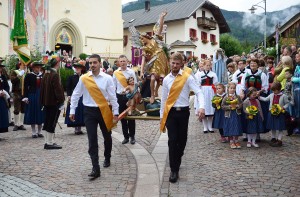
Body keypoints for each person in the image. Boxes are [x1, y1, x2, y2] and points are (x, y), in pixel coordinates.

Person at [70, 54, 119, 179]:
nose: (92, 65)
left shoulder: (107, 78)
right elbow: (76, 94)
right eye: (90, 63)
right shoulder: (84, 78)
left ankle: (107, 156)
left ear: (100, 64)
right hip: (89, 112)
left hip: (104, 110)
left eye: (94, 63)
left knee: (107, 136)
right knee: (92, 139)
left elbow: (113, 96)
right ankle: (95, 168)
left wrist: (116, 112)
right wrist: (72, 110)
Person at [160, 52, 205, 183]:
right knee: (172, 140)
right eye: (173, 63)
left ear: (182, 64)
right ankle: (174, 170)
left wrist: (201, 107)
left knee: (183, 140)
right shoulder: (166, 79)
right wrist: (162, 116)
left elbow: (199, 92)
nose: (174, 65)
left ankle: (177, 156)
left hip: (184, 113)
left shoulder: (187, 77)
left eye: (177, 63)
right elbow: (163, 99)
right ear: (170, 62)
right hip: (171, 114)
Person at [139, 11, 169, 104]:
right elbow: (143, 60)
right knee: (152, 78)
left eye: (142, 38)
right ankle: (152, 94)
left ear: (145, 37)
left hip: (161, 57)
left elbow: (159, 29)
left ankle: (156, 91)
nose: (141, 40)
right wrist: (141, 71)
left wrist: (161, 18)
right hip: (153, 61)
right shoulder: (144, 48)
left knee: (160, 78)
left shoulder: (155, 39)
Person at [40, 58, 65, 150]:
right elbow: (57, 90)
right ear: (57, 64)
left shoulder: (46, 74)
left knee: (47, 121)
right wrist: (61, 101)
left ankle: (47, 141)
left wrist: (42, 101)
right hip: (54, 102)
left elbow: (42, 90)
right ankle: (49, 143)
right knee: (52, 122)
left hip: (46, 102)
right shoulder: (54, 75)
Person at [113, 55, 137, 144]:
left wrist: (134, 96)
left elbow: (135, 84)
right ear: (119, 62)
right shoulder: (116, 72)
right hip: (120, 96)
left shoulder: (131, 72)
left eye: (124, 61)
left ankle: (132, 136)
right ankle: (125, 137)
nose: (123, 63)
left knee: (131, 117)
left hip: (129, 97)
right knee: (122, 117)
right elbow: (113, 86)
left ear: (127, 62)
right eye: (121, 61)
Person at [259, 82, 289, 147]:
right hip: (271, 113)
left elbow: (287, 103)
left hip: (279, 113)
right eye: (273, 90)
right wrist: (259, 97)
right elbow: (265, 99)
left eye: (275, 90)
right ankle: (273, 138)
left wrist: (283, 107)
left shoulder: (283, 96)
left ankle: (279, 139)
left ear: (279, 89)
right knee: (273, 126)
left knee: (280, 127)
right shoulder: (271, 95)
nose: (274, 91)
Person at [195, 60, 218, 133]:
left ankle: (210, 126)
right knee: (204, 108)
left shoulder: (213, 74)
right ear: (203, 66)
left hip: (210, 92)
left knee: (210, 109)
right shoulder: (199, 74)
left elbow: (216, 83)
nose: (208, 67)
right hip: (203, 91)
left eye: (209, 65)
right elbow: (198, 84)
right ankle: (205, 127)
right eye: (206, 65)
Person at [23, 61, 45, 138]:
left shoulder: (43, 75)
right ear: (33, 68)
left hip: (41, 96)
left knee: (40, 113)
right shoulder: (29, 75)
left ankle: (40, 131)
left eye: (39, 67)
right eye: (36, 67)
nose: (38, 69)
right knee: (32, 112)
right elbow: (25, 87)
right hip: (32, 95)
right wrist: (25, 97)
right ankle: (33, 132)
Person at [65, 61, 86, 135]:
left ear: (81, 69)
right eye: (76, 68)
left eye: (78, 68)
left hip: (82, 96)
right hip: (74, 96)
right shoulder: (71, 77)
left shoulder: (84, 77)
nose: (77, 69)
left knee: (81, 112)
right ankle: (76, 128)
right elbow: (68, 87)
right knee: (75, 111)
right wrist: (69, 95)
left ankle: (79, 128)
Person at [221, 82, 243, 149]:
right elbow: (222, 106)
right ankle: (231, 141)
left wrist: (237, 106)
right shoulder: (225, 97)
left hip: (236, 114)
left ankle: (236, 140)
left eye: (234, 88)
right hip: (229, 115)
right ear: (228, 89)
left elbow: (241, 104)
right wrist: (229, 107)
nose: (232, 89)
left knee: (236, 126)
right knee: (230, 127)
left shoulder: (238, 97)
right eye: (231, 88)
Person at [10, 61, 27, 131]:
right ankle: (16, 124)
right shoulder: (14, 72)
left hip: (24, 93)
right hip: (17, 92)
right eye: (23, 65)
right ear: (19, 65)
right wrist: (19, 75)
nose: (24, 66)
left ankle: (21, 123)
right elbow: (12, 81)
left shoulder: (26, 72)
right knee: (16, 109)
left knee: (23, 109)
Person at [0, 62, 10, 134]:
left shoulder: (3, 77)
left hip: (2, 98)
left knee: (2, 115)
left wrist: (4, 92)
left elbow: (7, 86)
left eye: (0, 67)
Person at [292, 53, 300, 133]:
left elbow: (297, 79)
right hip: (295, 90)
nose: (296, 58)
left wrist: (293, 79)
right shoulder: (297, 67)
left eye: (297, 57)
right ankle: (297, 126)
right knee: (296, 108)